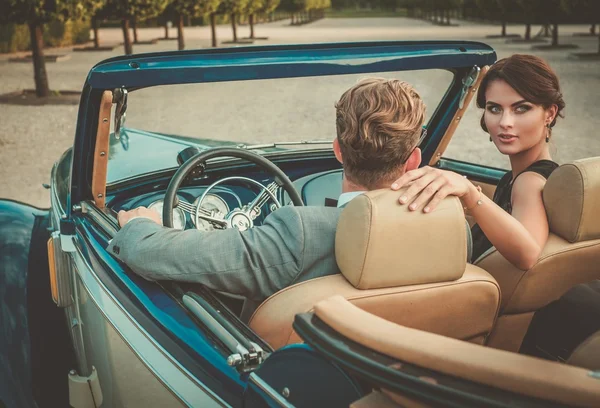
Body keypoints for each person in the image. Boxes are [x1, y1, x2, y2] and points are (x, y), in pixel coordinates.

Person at [108, 78, 426, 301]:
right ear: (413, 160)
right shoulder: (446, 230)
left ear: (338, 151)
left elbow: (149, 253)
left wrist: (140, 224)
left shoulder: (300, 233)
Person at [391, 54, 565, 270]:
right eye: (494, 109)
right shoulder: (523, 178)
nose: (505, 122)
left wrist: (471, 194)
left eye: (521, 108)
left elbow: (528, 255)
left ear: (549, 113)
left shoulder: (528, 182)